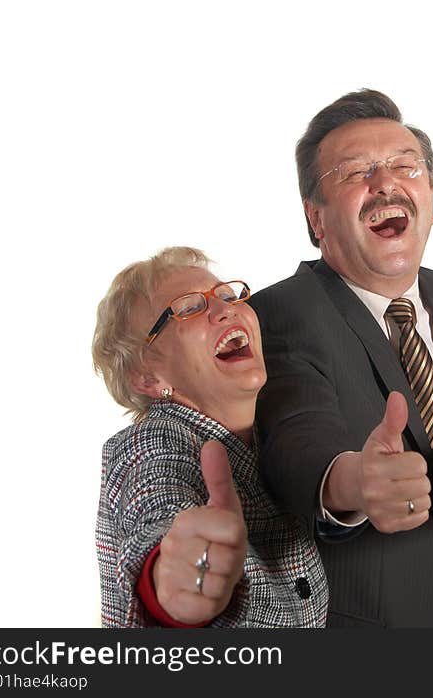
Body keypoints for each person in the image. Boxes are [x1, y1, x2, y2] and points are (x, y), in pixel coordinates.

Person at [251, 89, 433, 628]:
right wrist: (348, 483)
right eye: (354, 173)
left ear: (432, 199)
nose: (384, 182)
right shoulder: (278, 313)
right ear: (316, 218)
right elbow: (296, 433)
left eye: (404, 165)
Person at [93, 246, 328, 627]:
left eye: (228, 296)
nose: (225, 310)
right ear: (148, 376)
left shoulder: (280, 434)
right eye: (187, 308)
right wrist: (173, 579)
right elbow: (156, 502)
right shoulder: (151, 443)